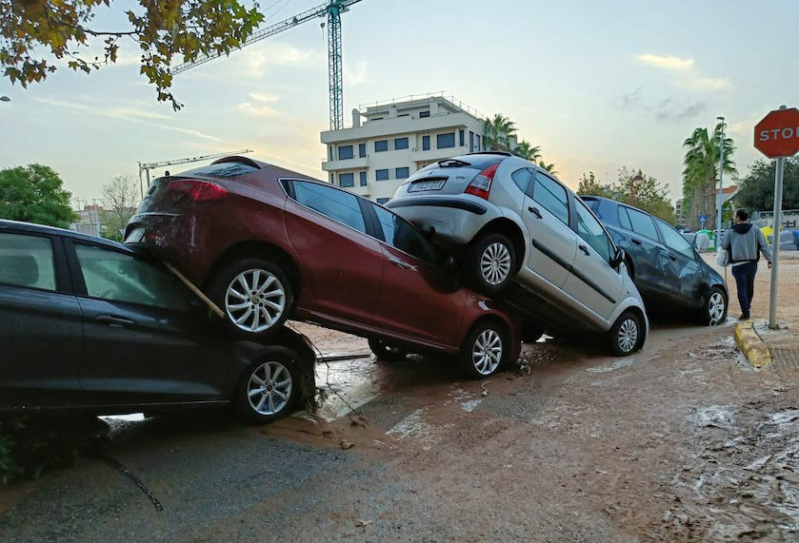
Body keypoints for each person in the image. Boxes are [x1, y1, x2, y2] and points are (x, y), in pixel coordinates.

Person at [721, 208, 772, 320]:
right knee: (749, 287)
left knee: (741, 288)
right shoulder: (755, 229)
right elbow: (763, 245)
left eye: (735, 215)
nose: (734, 217)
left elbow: (723, 246)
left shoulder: (730, 231)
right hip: (751, 264)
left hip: (737, 265)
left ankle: (745, 312)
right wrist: (770, 259)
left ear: (738, 217)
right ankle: (747, 307)